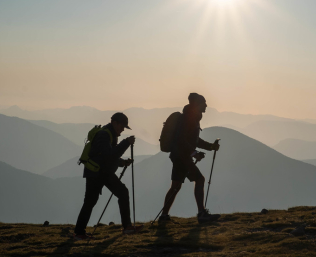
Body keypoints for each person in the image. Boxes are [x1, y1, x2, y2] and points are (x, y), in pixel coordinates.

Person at [74, 112, 143, 240]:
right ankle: (79, 233)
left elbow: (110, 156)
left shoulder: (110, 134)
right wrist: (126, 143)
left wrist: (122, 162)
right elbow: (109, 156)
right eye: (122, 126)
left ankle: (79, 232)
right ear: (114, 123)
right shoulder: (104, 135)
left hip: (99, 172)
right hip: (98, 173)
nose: (123, 129)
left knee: (92, 201)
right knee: (93, 201)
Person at [159, 93, 221, 224]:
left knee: (176, 186)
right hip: (183, 157)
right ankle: (202, 214)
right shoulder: (190, 118)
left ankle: (164, 216)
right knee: (199, 179)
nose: (206, 106)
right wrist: (194, 153)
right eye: (203, 103)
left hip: (178, 156)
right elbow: (182, 140)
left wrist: (209, 146)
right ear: (197, 105)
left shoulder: (189, 117)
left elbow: (193, 140)